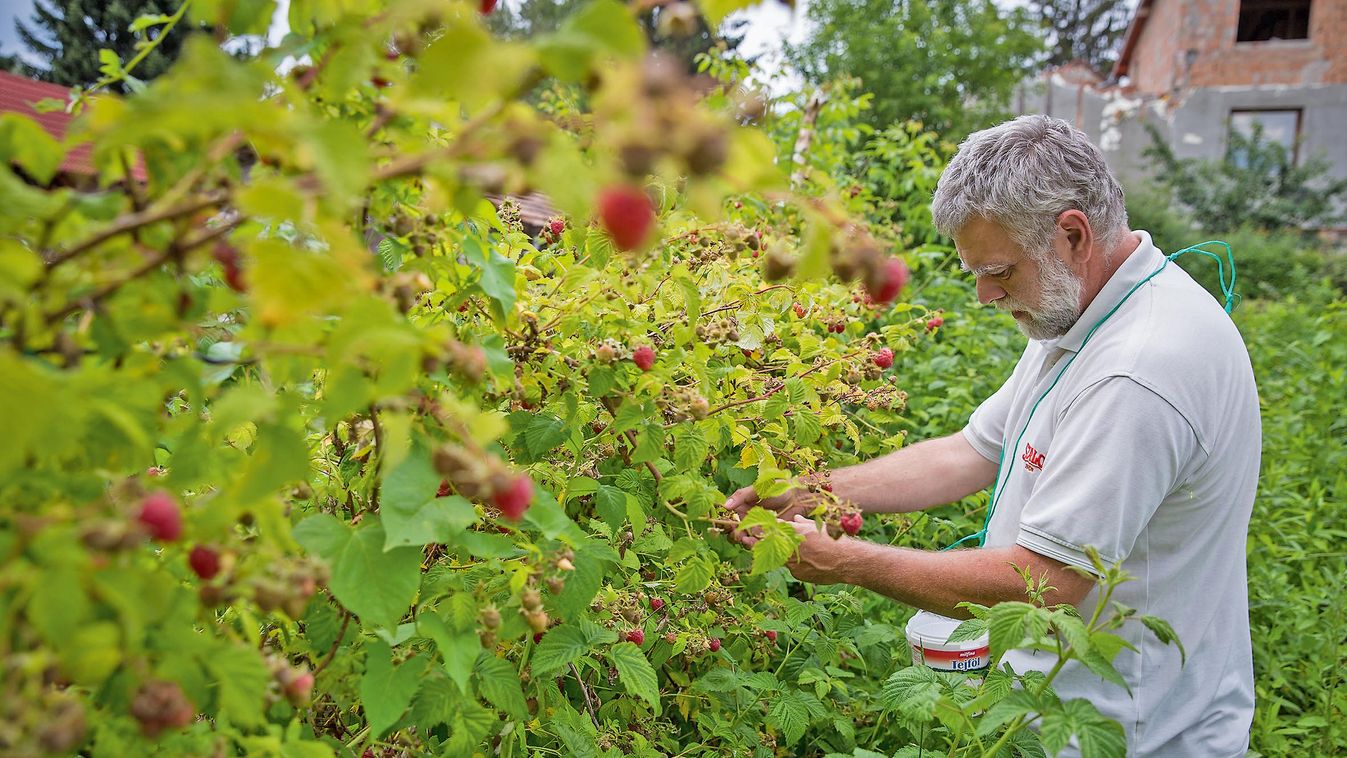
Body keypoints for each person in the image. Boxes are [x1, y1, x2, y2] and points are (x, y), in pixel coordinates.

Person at [722, 115, 1261, 757]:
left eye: (1000, 271)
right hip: (1053, 708)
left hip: (1131, 732)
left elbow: (1048, 581)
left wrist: (848, 563)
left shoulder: (1137, 370)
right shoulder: (1080, 314)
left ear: (1072, 234)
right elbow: (974, 451)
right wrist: (815, 492)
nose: (983, 295)